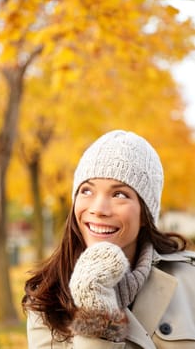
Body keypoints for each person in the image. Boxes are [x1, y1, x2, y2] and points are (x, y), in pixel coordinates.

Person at [22, 130, 195, 349]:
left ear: (145, 214)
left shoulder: (190, 279)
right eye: (87, 191)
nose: (98, 209)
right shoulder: (45, 297)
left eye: (119, 194)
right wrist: (96, 314)